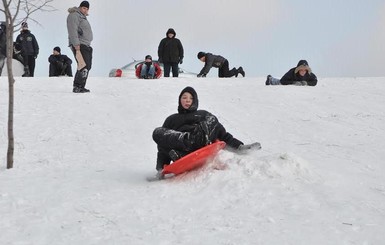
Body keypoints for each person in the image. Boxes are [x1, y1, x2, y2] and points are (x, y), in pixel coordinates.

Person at [151, 86, 261, 179]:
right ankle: (184, 149)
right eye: (184, 98)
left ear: (195, 101)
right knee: (158, 132)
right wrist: (160, 169)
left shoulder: (202, 114)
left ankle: (194, 140)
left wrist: (239, 147)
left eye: (191, 98)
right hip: (180, 148)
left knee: (211, 119)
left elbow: (222, 134)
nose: (187, 100)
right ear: (179, 100)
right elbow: (162, 145)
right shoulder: (171, 119)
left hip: (201, 142)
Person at [67, 1, 93, 93]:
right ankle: (77, 86)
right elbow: (72, 30)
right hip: (79, 44)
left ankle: (81, 86)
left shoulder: (82, 17)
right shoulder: (74, 15)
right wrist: (76, 44)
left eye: (87, 9)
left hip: (85, 44)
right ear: (80, 7)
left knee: (87, 66)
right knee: (83, 65)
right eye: (84, 8)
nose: (85, 10)